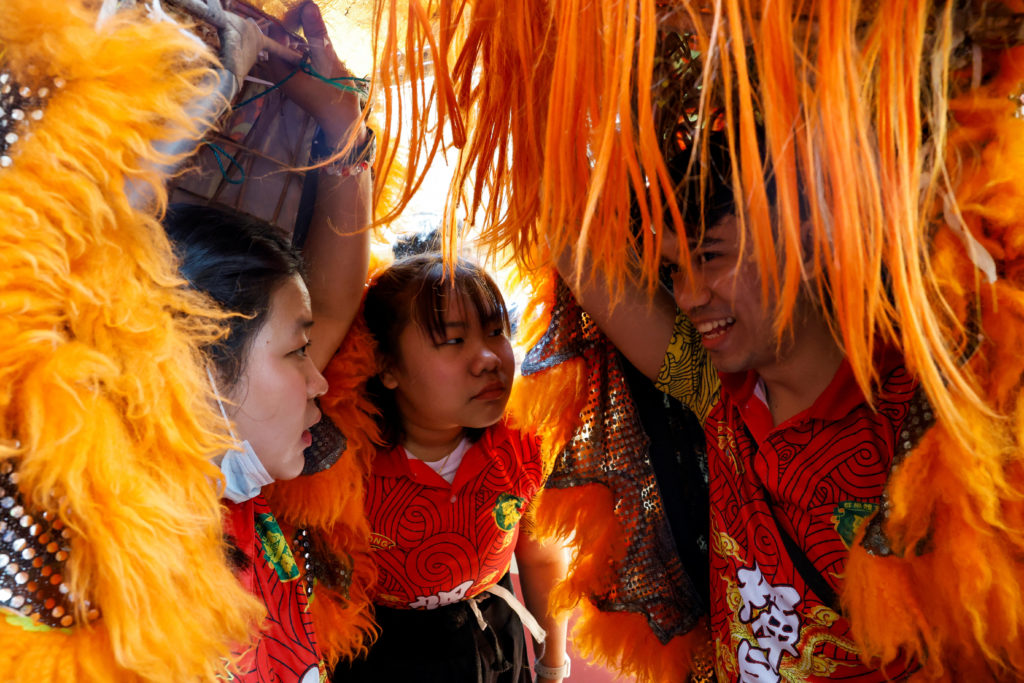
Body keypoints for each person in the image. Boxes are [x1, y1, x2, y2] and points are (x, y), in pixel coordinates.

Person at [556, 132, 924, 681]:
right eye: (675, 268)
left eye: (709, 256)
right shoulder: (718, 394)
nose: (686, 295)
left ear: (808, 242)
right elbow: (573, 245)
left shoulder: (916, 432)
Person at [163, 4, 372, 680]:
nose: (320, 380)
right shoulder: (129, 566)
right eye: (294, 352)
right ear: (200, 361)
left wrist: (342, 124)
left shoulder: (241, 509)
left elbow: (335, 300)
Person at [330, 252, 569, 683]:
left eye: (496, 331)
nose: (488, 358)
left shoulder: (525, 440)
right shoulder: (343, 462)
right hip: (376, 651)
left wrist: (552, 665)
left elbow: (540, 557)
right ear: (387, 366)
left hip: (493, 640)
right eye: (454, 340)